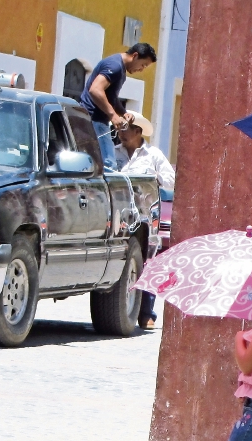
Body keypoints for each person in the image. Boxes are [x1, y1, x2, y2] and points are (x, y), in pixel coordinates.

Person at [115, 112, 176, 329]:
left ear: (138, 132)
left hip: (146, 217)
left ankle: (146, 312)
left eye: (126, 129)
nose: (121, 133)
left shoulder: (154, 155)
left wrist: (153, 178)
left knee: (148, 262)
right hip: (121, 216)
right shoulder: (115, 153)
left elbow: (171, 179)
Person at [80, 43, 157, 171]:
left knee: (96, 166)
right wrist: (113, 116)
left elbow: (111, 97)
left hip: (95, 120)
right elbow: (95, 90)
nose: (142, 69)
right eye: (143, 64)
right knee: (108, 166)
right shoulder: (115, 66)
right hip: (94, 120)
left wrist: (123, 113)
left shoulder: (119, 68)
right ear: (135, 55)